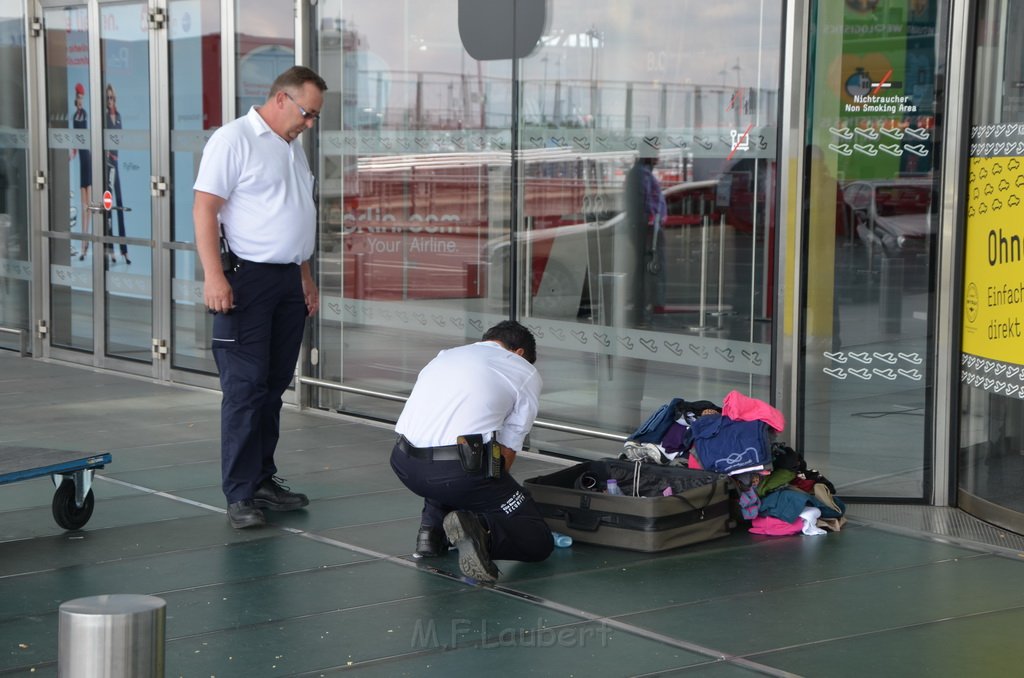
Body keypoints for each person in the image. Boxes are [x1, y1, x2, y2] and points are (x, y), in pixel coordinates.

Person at [192, 66, 326, 529]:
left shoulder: (293, 148)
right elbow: (204, 208)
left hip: (288, 281)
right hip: (246, 281)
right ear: (282, 99)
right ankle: (240, 494)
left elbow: (296, 213)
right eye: (308, 114)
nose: (310, 123)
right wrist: (214, 276)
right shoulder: (233, 141)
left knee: (272, 388)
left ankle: (263, 479)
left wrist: (304, 275)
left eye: (314, 117)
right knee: (245, 390)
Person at [390, 321, 553, 583]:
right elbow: (508, 449)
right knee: (537, 539)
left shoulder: (447, 355)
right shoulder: (524, 370)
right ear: (520, 354)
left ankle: (430, 534)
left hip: (403, 463)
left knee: (453, 457)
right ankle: (481, 532)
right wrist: (492, 495)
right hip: (455, 474)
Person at [622, 142, 668, 326]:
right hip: (646, 230)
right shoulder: (640, 174)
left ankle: (643, 310)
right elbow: (642, 204)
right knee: (643, 272)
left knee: (644, 272)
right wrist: (648, 229)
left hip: (648, 229)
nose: (658, 157)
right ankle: (640, 312)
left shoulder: (643, 174)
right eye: (655, 152)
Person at [103, 84, 130, 265]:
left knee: (119, 206)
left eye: (112, 98)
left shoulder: (118, 117)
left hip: (116, 163)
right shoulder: (103, 118)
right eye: (108, 98)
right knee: (108, 208)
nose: (110, 101)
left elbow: (119, 140)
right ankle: (110, 250)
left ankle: (124, 251)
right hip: (107, 165)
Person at [70, 83, 92, 260]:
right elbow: (77, 140)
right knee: (83, 203)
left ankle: (85, 244)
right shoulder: (75, 115)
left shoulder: (83, 114)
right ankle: (84, 241)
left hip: (87, 158)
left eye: (82, 97)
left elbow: (84, 137)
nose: (80, 100)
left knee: (88, 205)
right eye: (79, 97)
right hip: (81, 158)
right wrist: (71, 153)